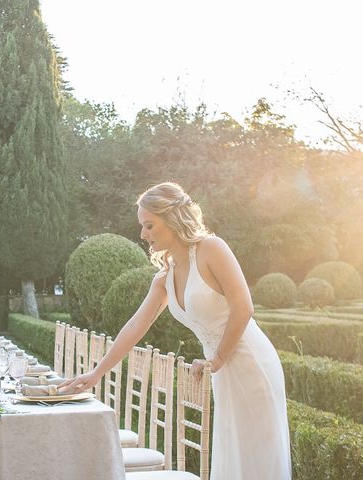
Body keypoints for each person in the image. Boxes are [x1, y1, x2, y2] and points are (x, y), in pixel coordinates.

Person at [59, 182, 292, 479]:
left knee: (257, 456)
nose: (143, 235)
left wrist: (218, 358)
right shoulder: (164, 278)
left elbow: (244, 307)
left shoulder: (212, 249)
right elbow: (134, 327)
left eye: (149, 226)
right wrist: (96, 373)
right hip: (221, 370)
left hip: (250, 363)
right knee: (233, 455)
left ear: (171, 219)